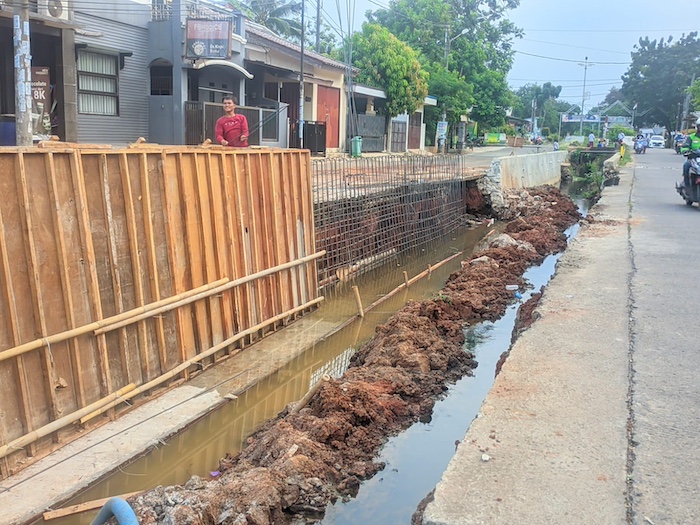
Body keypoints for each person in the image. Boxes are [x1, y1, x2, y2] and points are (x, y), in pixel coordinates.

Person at [680, 122, 700, 187]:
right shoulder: (691, 137)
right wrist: (685, 151)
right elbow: (685, 146)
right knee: (686, 165)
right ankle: (687, 185)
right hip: (694, 158)